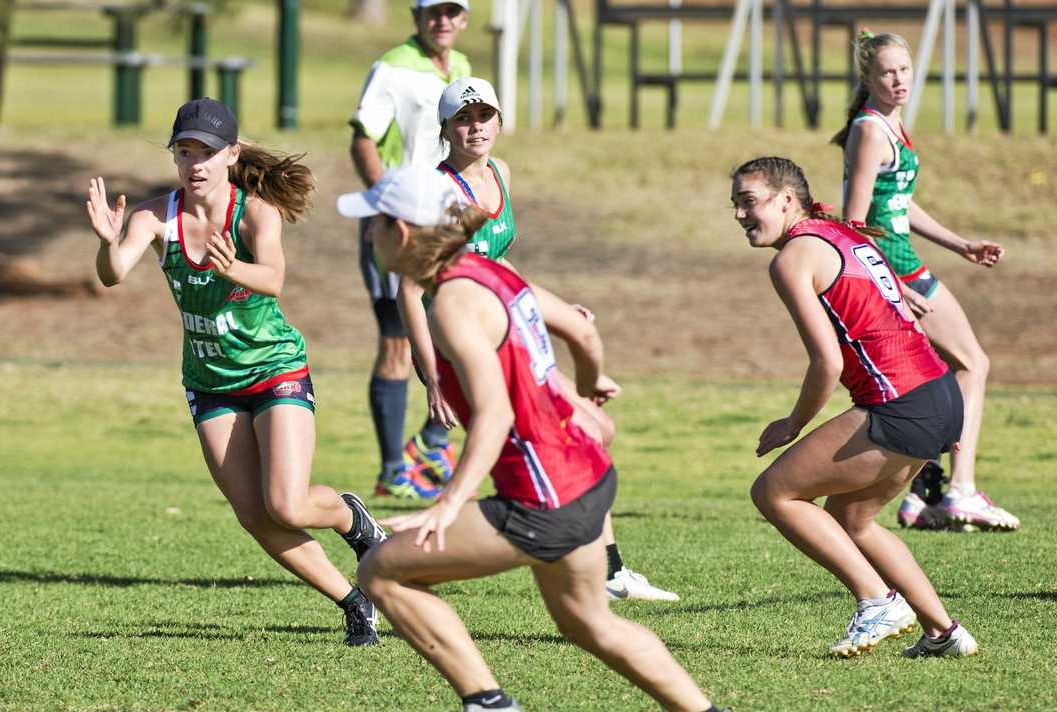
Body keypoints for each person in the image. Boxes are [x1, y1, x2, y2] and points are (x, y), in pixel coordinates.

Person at [339, 164, 731, 712]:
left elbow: (494, 412)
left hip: (542, 499)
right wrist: (591, 379)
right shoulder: (488, 271)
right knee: (589, 623)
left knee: (380, 569)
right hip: (588, 477)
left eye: (373, 223)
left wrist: (448, 504)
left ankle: (489, 706)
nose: (368, 234)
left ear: (401, 233)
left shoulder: (451, 304)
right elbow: (580, 325)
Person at [86, 98, 387, 647]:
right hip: (209, 382)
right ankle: (353, 601)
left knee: (288, 503)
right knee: (254, 514)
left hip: (274, 367)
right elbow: (112, 276)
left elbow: (273, 278)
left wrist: (233, 266)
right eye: (185, 151)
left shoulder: (254, 212)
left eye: (207, 151)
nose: (195, 163)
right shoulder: (155, 216)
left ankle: (351, 519)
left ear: (232, 155)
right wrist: (109, 245)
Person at [396, 77, 679, 602]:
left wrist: (549, 308)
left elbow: (498, 260)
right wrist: (430, 375)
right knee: (581, 432)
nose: (475, 127)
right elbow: (410, 290)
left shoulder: (501, 174)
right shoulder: (438, 192)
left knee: (598, 429)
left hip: (510, 333)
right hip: (467, 345)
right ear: (446, 129)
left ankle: (597, 566)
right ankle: (595, 566)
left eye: (484, 116)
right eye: (463, 119)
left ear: (500, 123)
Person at [733, 155, 978, 659]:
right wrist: (937, 416)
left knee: (775, 493)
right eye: (735, 204)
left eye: (749, 201)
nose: (739, 214)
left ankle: (877, 602)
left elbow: (824, 361)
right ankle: (943, 633)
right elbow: (905, 307)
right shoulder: (840, 234)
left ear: (785, 199)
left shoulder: (793, 259)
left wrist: (793, 423)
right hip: (937, 393)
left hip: (902, 401)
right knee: (854, 518)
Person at [834, 31, 1018, 532]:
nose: (898, 80)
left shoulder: (891, 126)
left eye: (905, 70)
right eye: (887, 72)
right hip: (898, 268)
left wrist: (961, 244)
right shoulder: (870, 130)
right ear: (867, 78)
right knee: (973, 364)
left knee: (940, 374)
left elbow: (896, 203)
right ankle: (960, 491)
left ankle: (923, 491)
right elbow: (854, 223)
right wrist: (892, 287)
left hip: (904, 262)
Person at [350, 0, 473, 499]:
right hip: (399, 226)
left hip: (444, 223)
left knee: (455, 332)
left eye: (452, 11)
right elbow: (362, 141)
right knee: (398, 341)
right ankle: (392, 471)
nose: (442, 20)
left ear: (465, 19)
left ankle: (430, 442)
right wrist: (389, 206)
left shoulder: (461, 69)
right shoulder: (393, 67)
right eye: (432, 11)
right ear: (415, 16)